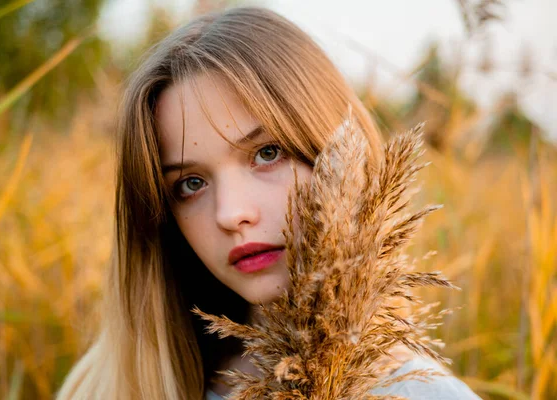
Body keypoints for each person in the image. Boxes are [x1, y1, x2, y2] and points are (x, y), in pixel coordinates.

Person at [57, 6, 481, 400]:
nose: (231, 213)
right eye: (190, 183)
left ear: (340, 153)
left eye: (267, 153)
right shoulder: (112, 384)